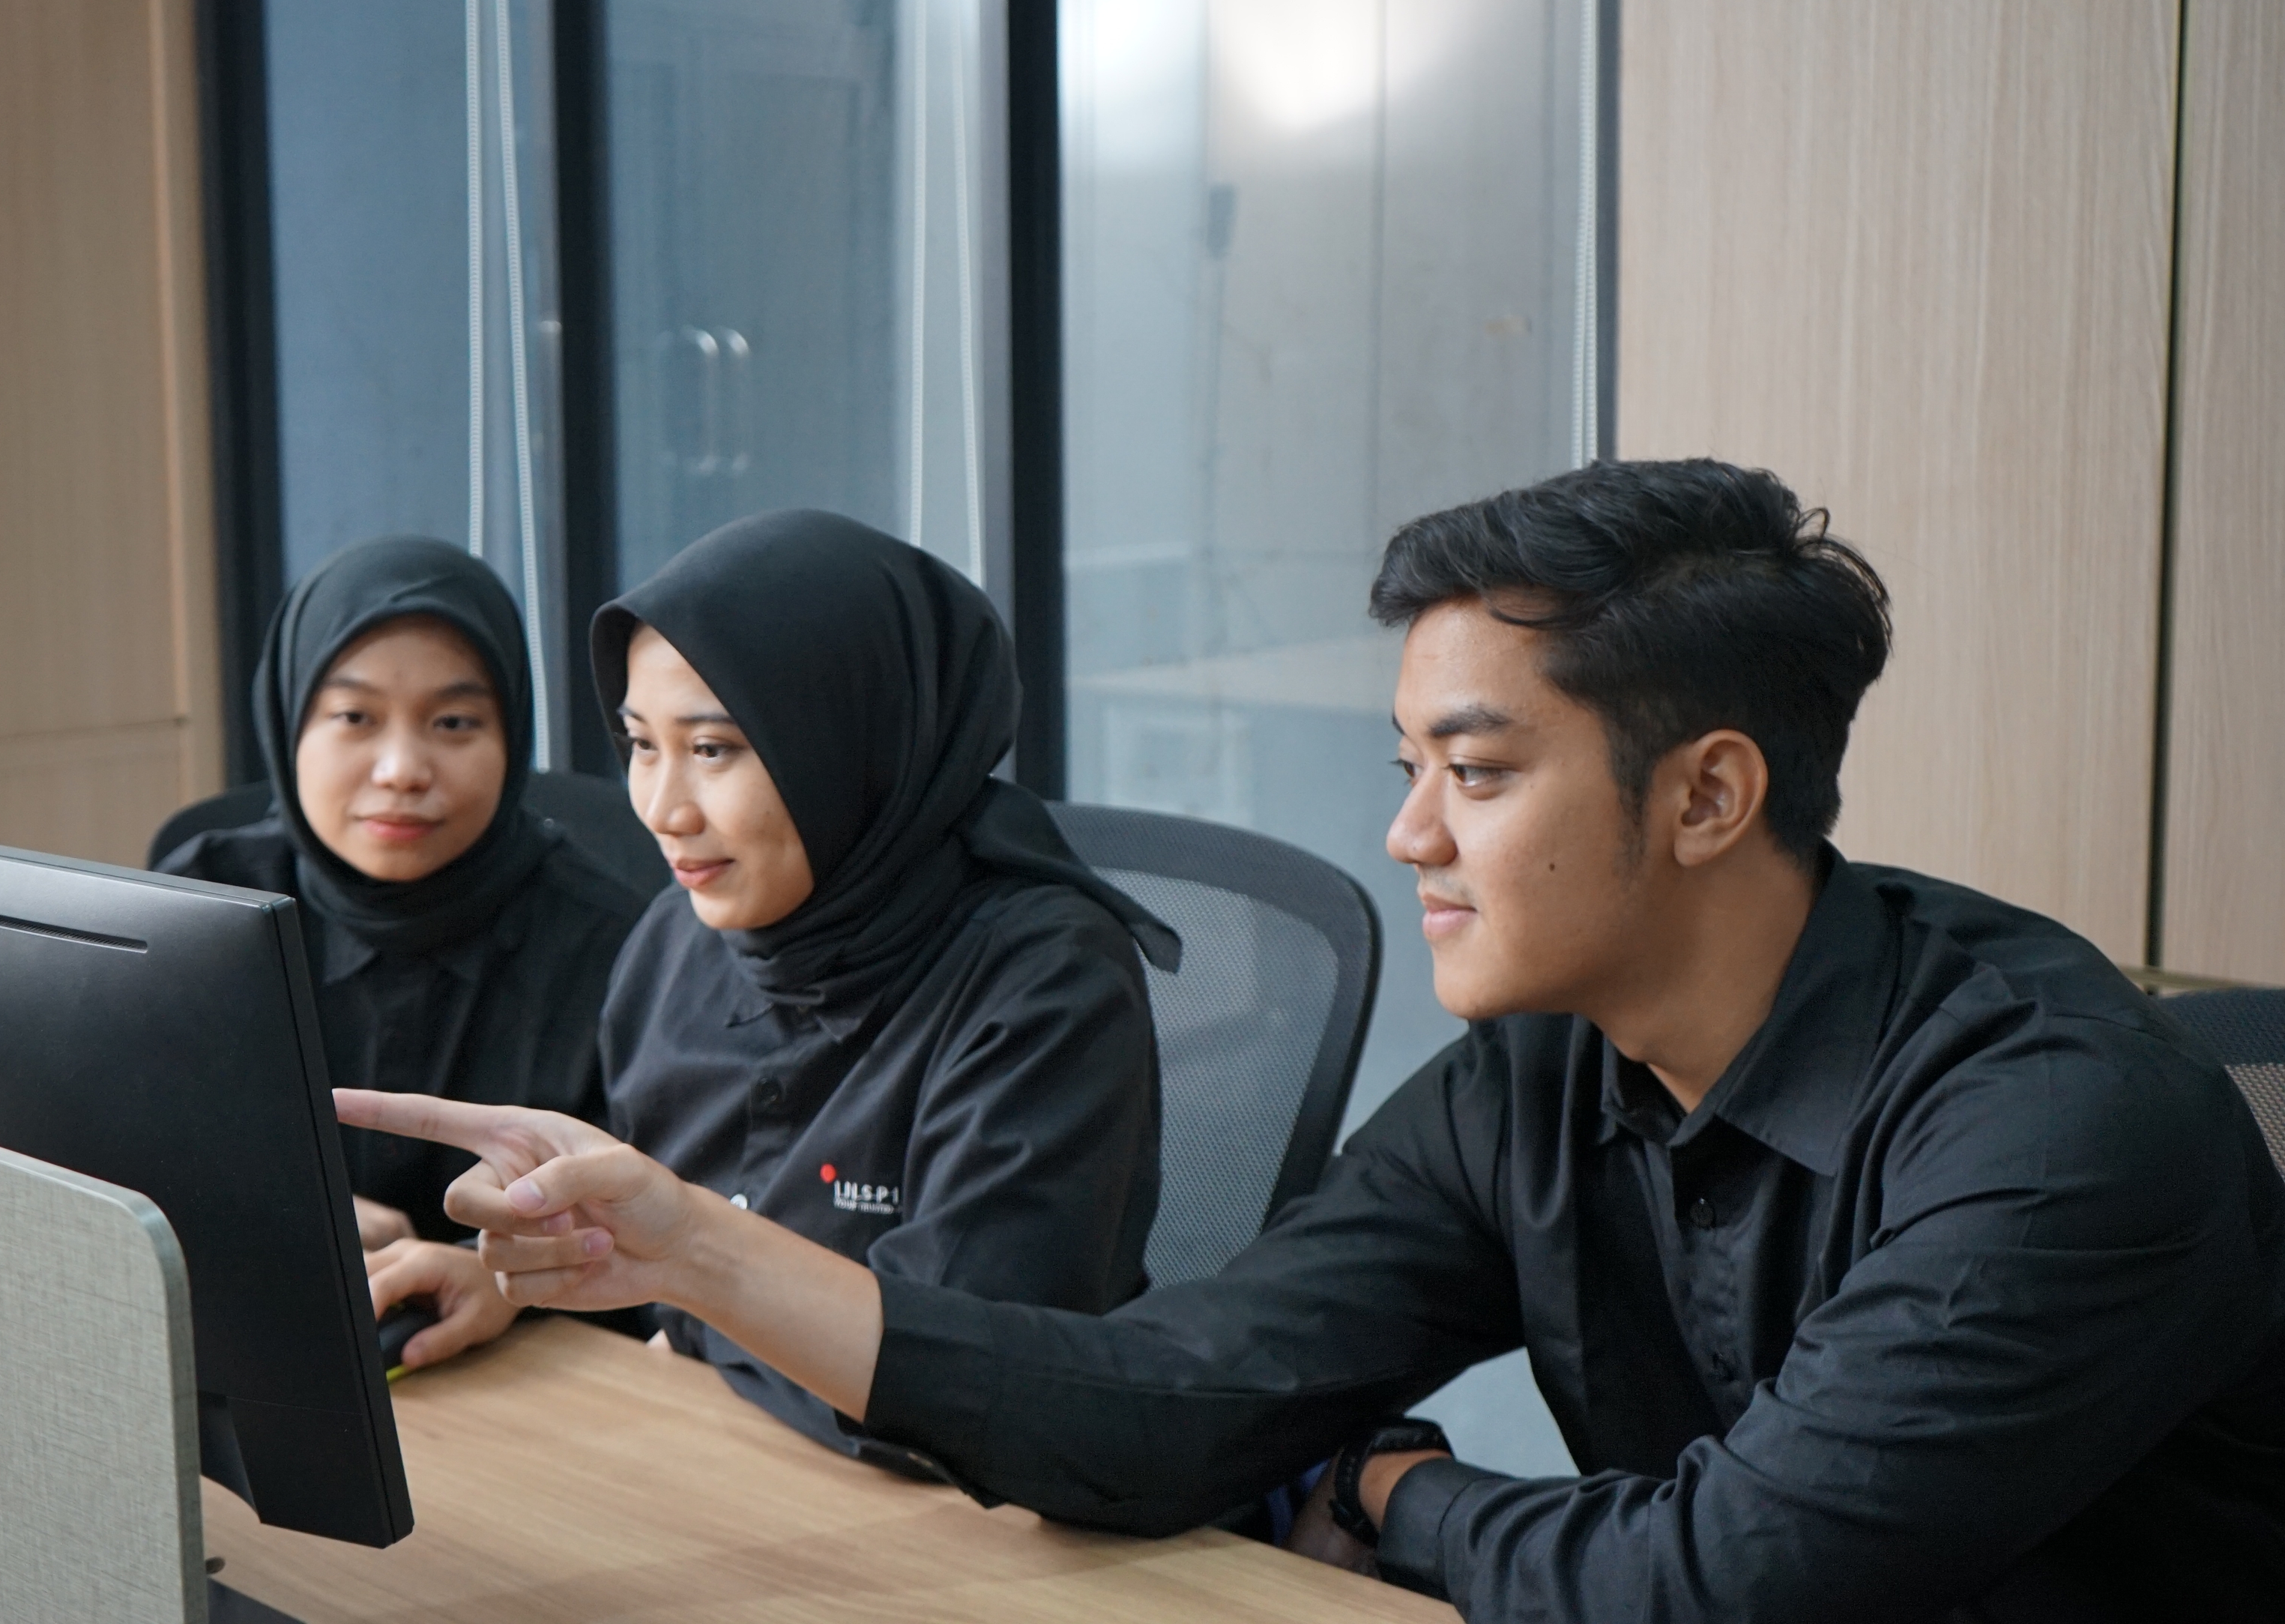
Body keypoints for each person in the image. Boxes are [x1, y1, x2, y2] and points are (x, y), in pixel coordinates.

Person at [337, 462, 2285, 1620]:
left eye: (1477, 774)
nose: (1408, 837)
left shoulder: (2063, 1135)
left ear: (1703, 798)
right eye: (1404, 768)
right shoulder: (1546, 1070)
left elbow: (1728, 1587)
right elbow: (1186, 1387)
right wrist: (688, 1251)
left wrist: (1389, 1500)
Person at [365, 510, 1178, 1467]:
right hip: (715, 1471)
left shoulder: (1044, 982)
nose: (663, 809)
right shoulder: (676, 940)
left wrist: (701, 1311)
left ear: (851, 739)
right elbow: (659, 1280)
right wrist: (517, 1283)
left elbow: (954, 1391)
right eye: (639, 743)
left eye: (713, 749)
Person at [157, 536, 645, 1335]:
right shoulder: (206, 901)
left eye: (453, 721)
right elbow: (135, 1137)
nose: (401, 768)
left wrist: (503, 1279)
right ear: (289, 723)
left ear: (512, 732)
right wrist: (283, 1216)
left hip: (524, 1378)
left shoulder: (612, 947)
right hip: (259, 1336)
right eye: (355, 716)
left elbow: (647, 1235)